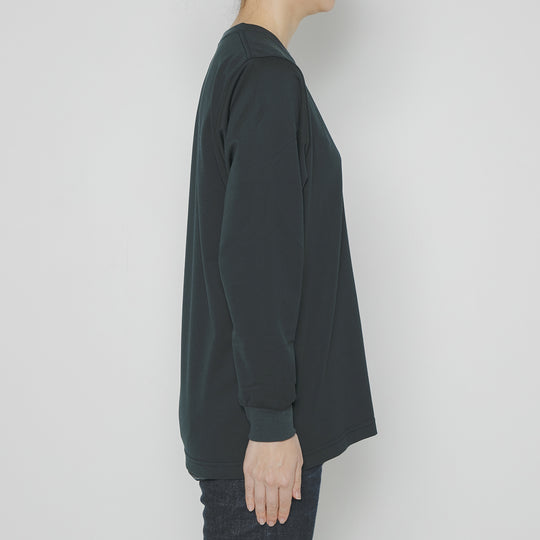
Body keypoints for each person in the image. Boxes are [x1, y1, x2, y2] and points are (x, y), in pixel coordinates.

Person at [179, 1, 378, 537]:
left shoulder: (245, 62)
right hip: (260, 442)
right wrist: (269, 422)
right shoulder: (264, 75)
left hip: (254, 429)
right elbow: (256, 258)